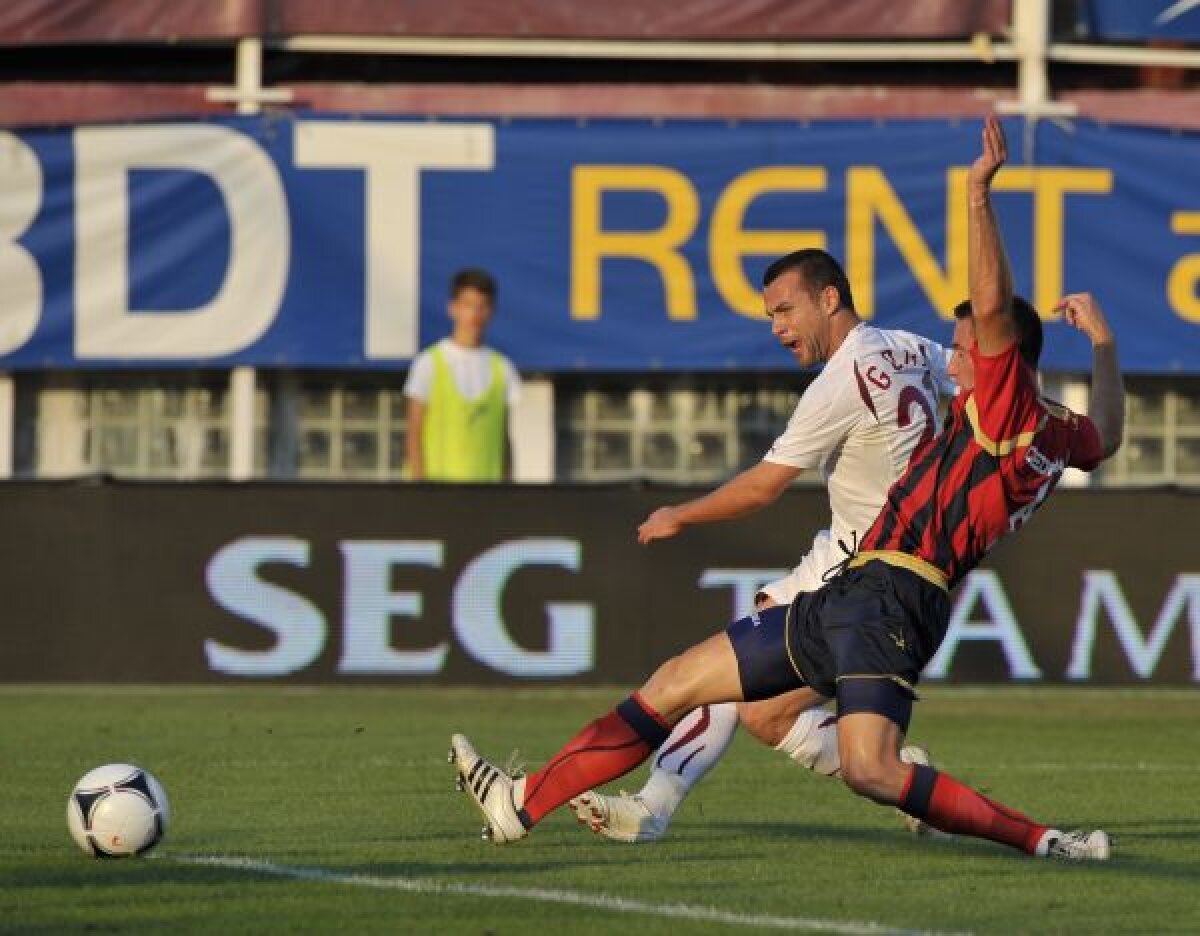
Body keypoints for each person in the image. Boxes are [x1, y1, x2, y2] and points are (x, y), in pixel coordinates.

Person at [451, 117, 1125, 860]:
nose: (956, 361)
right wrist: (1103, 343)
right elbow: (1106, 435)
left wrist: (976, 193)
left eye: (783, 310)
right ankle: (527, 803)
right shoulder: (1016, 408)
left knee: (860, 762)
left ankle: (1025, 835)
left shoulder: (975, 398)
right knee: (716, 695)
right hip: (863, 582)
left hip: (885, 583)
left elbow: (987, 315)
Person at [567, 245, 956, 843]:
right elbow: (978, 379)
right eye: (770, 316)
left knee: (728, 670)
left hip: (865, 568)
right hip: (867, 553)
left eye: (785, 311)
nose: (777, 328)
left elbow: (762, 487)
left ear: (829, 298)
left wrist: (680, 514)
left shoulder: (841, 379)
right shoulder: (913, 347)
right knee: (764, 713)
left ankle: (651, 809)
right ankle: (908, 780)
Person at [404, 268, 521, 482]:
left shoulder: (503, 368)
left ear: (491, 311)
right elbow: (414, 432)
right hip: (438, 492)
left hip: (487, 494)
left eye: (482, 306)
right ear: (453, 308)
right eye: (468, 305)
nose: (475, 314)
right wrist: (420, 490)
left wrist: (508, 487)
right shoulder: (429, 363)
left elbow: (504, 439)